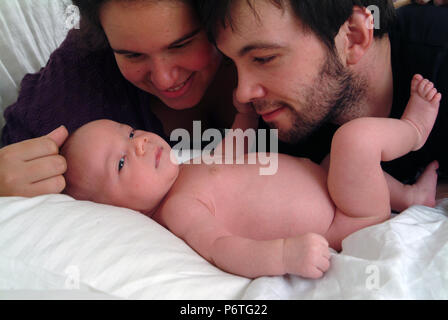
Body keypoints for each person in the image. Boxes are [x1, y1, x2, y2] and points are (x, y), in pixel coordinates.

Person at [60, 75, 441, 279]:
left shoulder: (185, 170)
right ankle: (414, 130)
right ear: (117, 210)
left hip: (330, 187)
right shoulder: (178, 209)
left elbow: (230, 153)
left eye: (129, 133)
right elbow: (222, 248)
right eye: (122, 163)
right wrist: (284, 254)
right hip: (345, 220)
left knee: (333, 159)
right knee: (353, 142)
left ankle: (407, 197)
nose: (140, 145)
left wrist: (242, 118)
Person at [0, 0, 246, 197]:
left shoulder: (271, 44)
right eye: (132, 56)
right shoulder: (82, 77)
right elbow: (16, 152)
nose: (164, 80)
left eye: (181, 45)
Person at [196, 0, 448, 185]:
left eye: (264, 58)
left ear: (354, 36)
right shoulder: (277, 129)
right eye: (232, 63)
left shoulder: (438, 55)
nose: (242, 93)